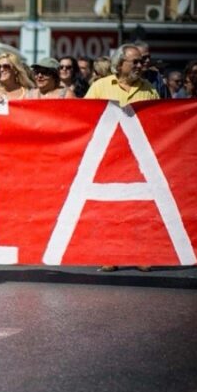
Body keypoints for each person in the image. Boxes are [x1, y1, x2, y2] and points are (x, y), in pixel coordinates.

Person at [85, 43, 159, 274]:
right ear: (120, 64)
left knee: (139, 209)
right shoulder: (100, 87)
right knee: (109, 210)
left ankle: (140, 255)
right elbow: (84, 116)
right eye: (134, 62)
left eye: (140, 61)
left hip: (139, 159)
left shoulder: (149, 89)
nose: (140, 65)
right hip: (108, 157)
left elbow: (160, 122)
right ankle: (110, 255)